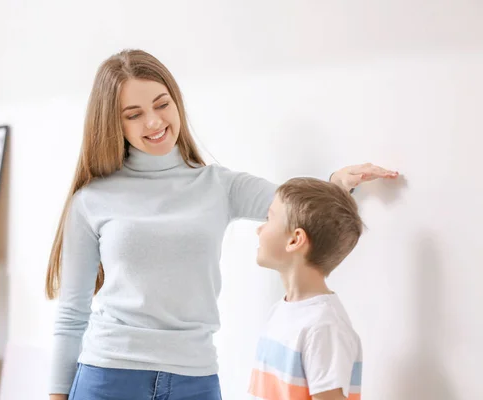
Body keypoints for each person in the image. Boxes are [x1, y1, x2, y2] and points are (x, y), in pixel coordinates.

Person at [46, 49, 398, 400]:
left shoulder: (219, 186)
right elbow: (72, 314)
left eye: (162, 104)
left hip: (194, 380)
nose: (153, 122)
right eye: (134, 114)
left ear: (176, 101)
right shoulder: (91, 200)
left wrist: (336, 181)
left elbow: (294, 212)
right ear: (113, 123)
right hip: (109, 378)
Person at [249, 178, 364, 400]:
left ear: (295, 240)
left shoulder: (324, 327)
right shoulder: (283, 310)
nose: (259, 229)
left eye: (268, 218)